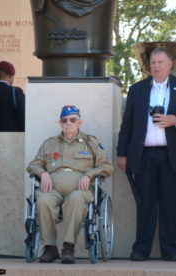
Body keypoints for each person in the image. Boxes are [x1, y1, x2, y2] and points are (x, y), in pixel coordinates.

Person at [27, 105, 113, 264]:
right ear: (60, 123)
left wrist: (89, 174)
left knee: (75, 199)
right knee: (43, 201)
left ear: (79, 122)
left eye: (72, 119)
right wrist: (43, 173)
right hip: (52, 189)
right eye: (64, 120)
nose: (68, 123)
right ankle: (50, 248)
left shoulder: (91, 143)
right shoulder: (49, 143)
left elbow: (107, 167)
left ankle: (68, 247)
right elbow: (33, 165)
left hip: (80, 190)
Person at [117, 47, 176, 261]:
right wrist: (121, 153)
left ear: (170, 64)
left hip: (171, 157)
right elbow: (127, 124)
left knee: (171, 204)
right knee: (145, 204)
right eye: (153, 62)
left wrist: (174, 120)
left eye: (161, 62)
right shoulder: (137, 89)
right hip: (143, 156)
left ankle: (171, 249)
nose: (156, 66)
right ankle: (141, 248)